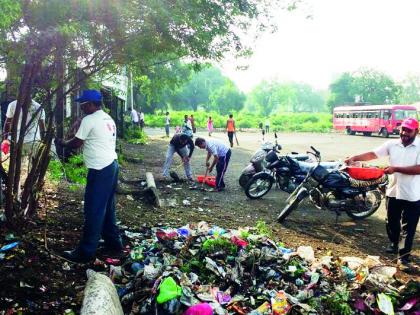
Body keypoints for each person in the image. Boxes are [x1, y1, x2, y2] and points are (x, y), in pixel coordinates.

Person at [57, 89, 122, 263]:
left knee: (93, 209)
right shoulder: (108, 118)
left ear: (91, 104)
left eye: (83, 104)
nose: (81, 107)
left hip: (100, 169)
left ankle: (85, 252)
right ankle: (114, 244)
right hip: (112, 165)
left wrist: (63, 143)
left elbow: (77, 142)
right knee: (107, 208)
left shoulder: (90, 119)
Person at [345, 117, 420, 265]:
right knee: (391, 221)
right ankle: (394, 243)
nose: (404, 133)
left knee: (408, 226)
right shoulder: (392, 144)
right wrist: (354, 158)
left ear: (416, 132)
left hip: (413, 194)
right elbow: (373, 154)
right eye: (403, 129)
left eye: (409, 131)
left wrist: (396, 168)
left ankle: (403, 257)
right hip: (393, 191)